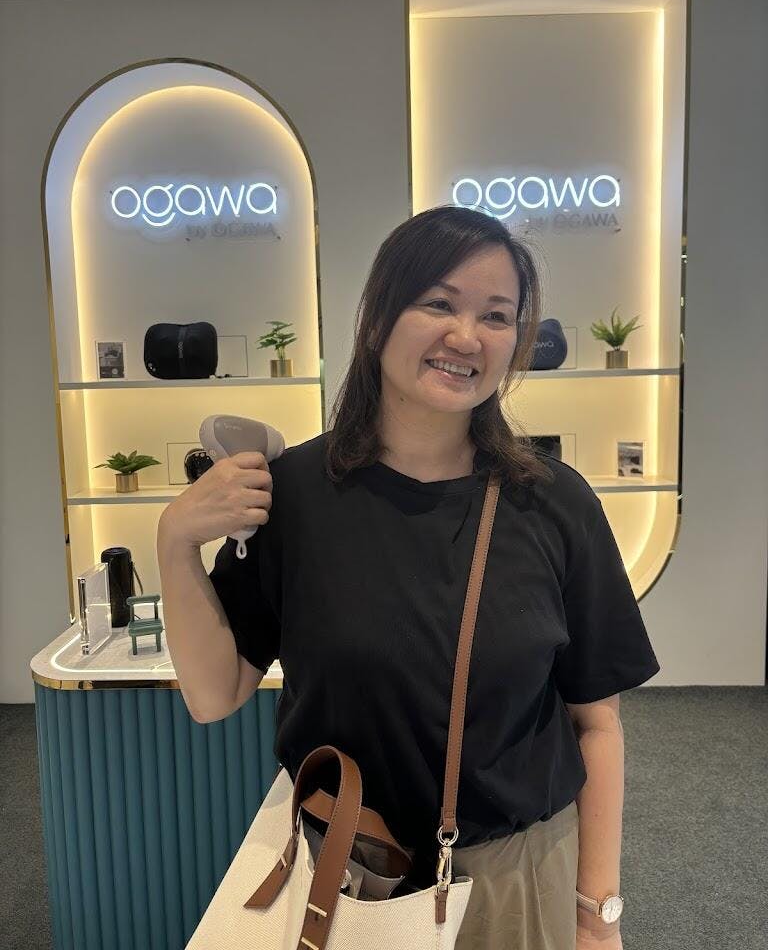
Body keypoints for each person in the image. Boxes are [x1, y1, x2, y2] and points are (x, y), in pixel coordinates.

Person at [158, 205, 660, 950]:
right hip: (349, 872)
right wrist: (174, 542)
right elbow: (214, 695)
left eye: (497, 315)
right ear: (376, 320)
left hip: (517, 880)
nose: (467, 336)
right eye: (439, 303)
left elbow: (598, 724)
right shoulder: (295, 495)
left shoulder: (554, 503)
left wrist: (597, 916)